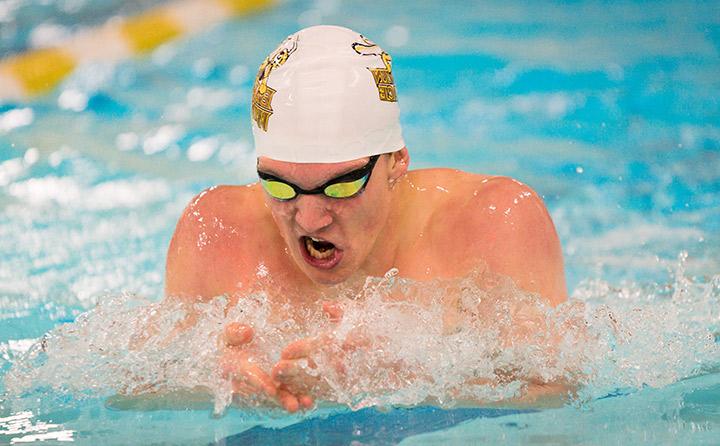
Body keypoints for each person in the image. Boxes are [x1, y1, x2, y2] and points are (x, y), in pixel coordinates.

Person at [165, 25, 568, 412]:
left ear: (396, 161)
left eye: (339, 186)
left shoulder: (493, 222)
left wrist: (410, 380)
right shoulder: (215, 230)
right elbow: (136, 396)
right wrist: (206, 384)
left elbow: (559, 391)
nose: (309, 220)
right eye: (280, 185)